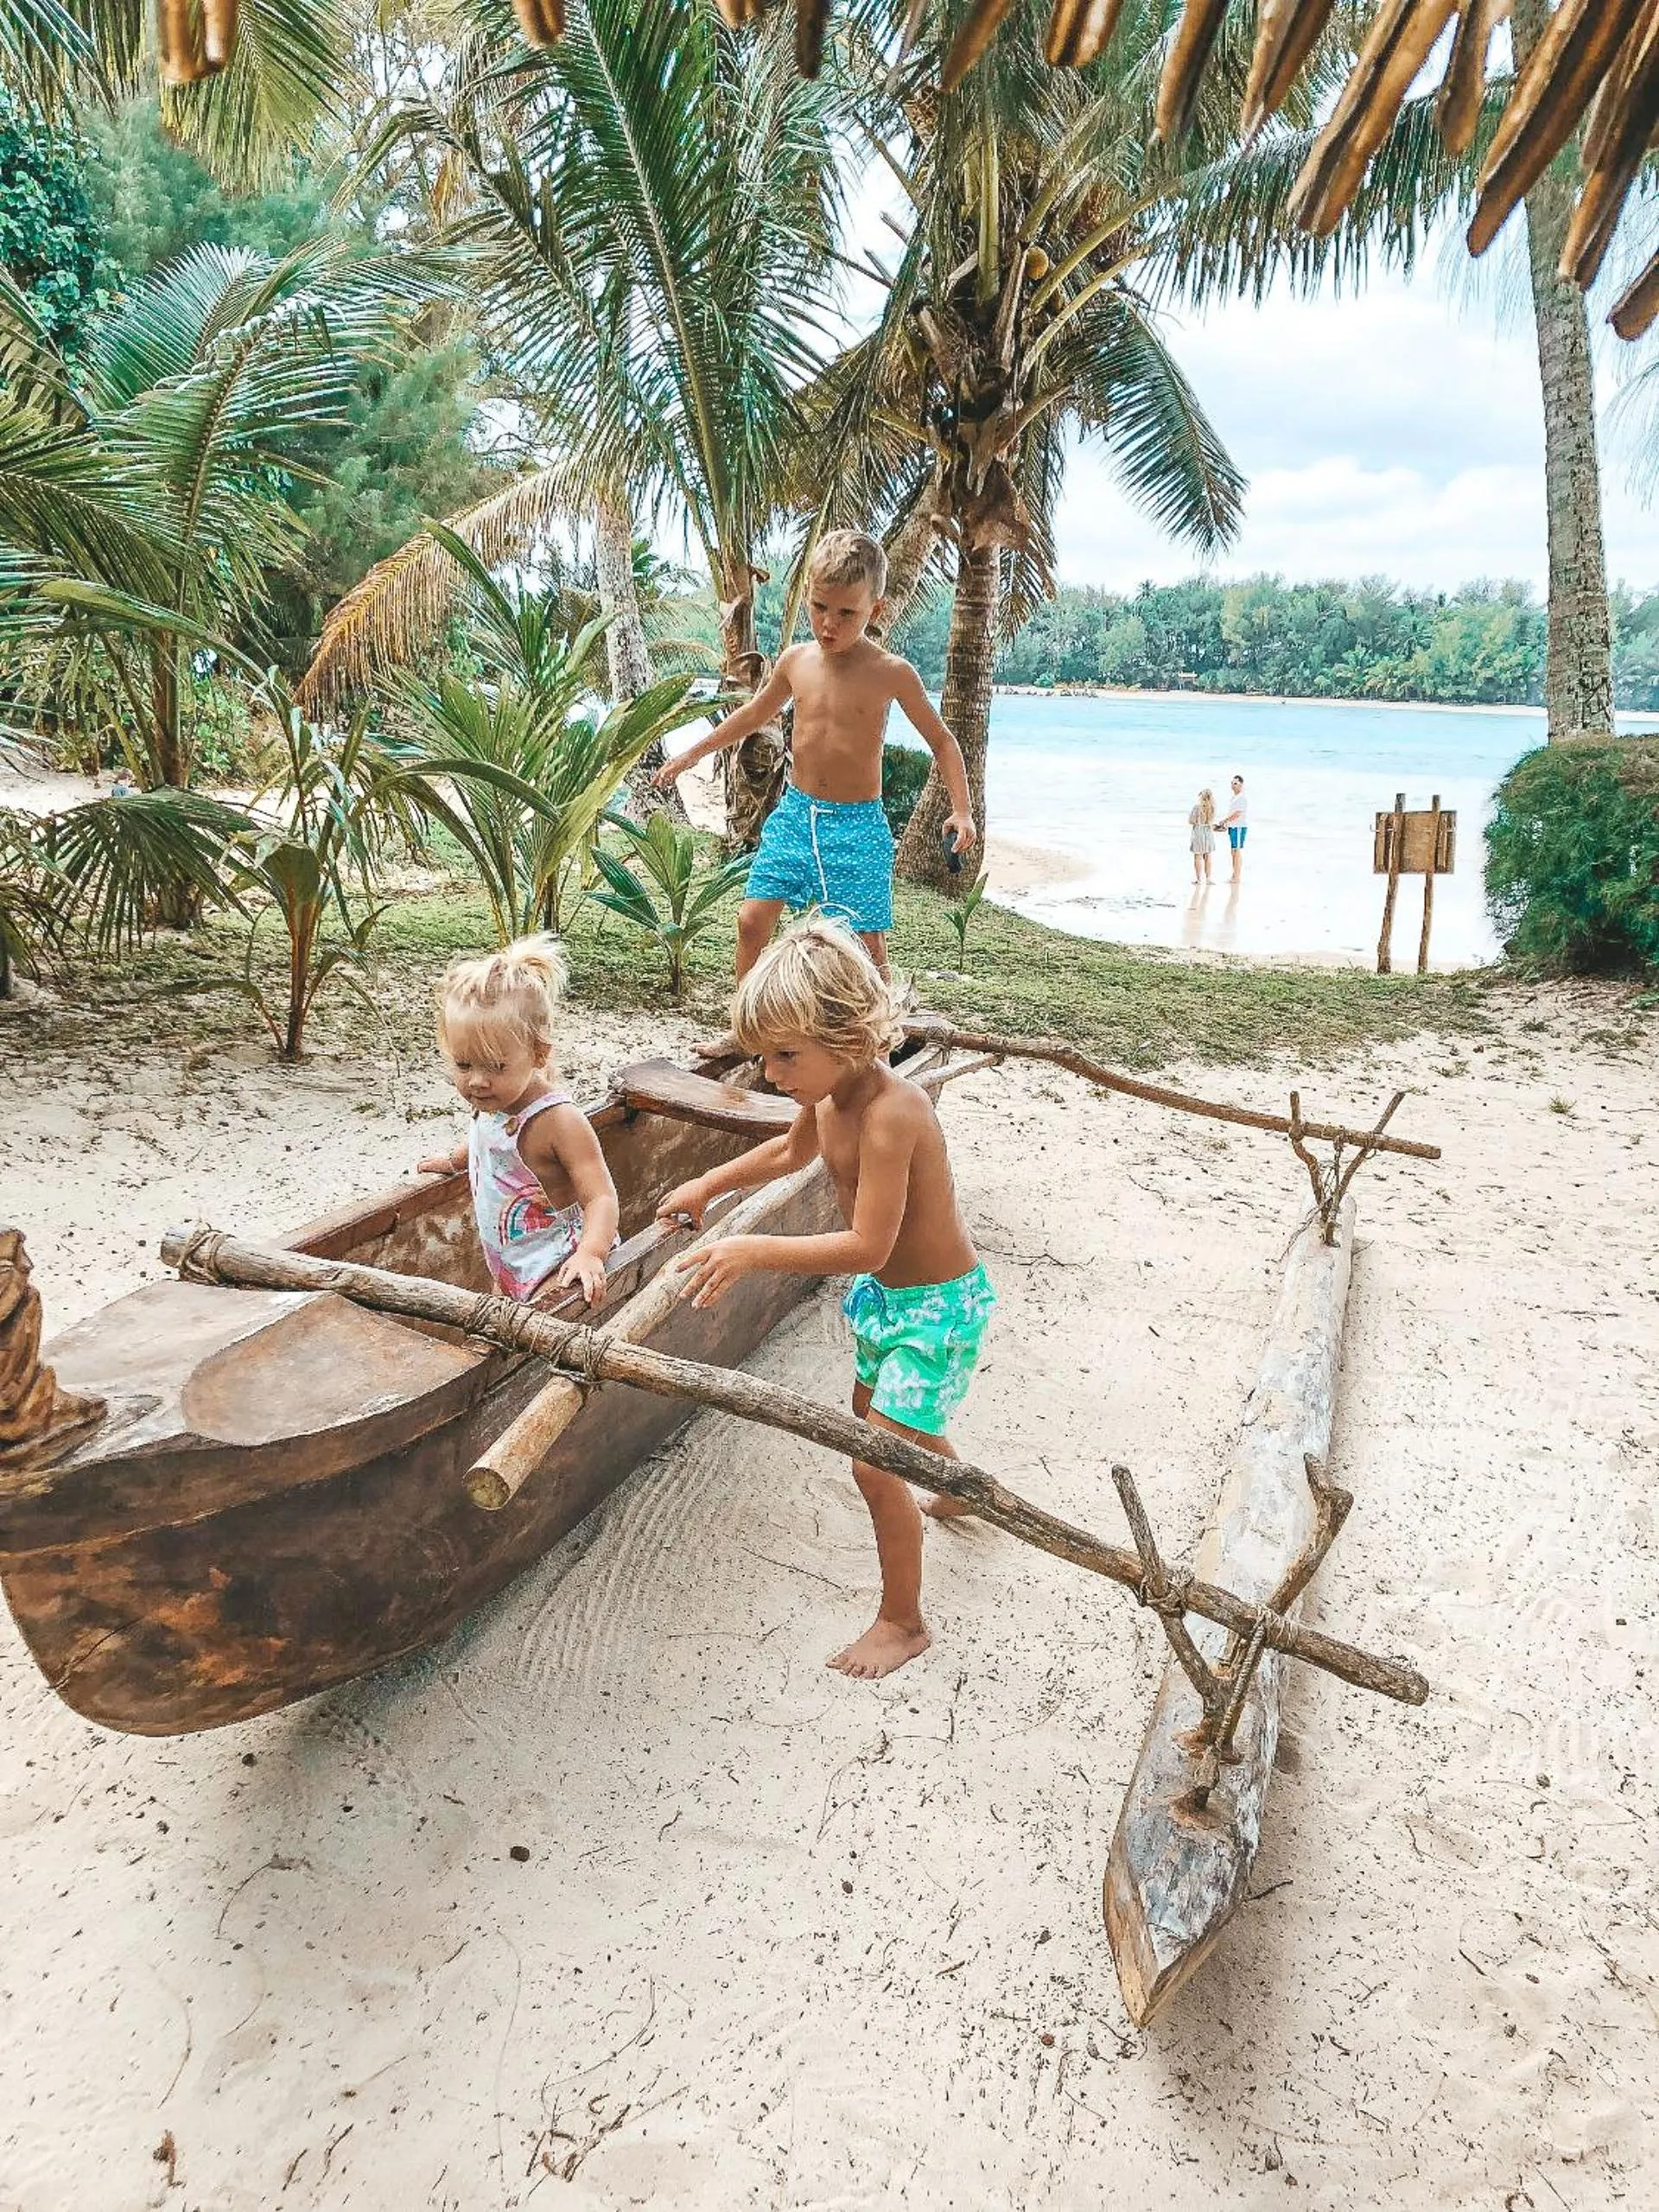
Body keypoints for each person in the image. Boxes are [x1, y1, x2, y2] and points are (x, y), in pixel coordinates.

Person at [654, 918, 995, 1681]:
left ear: (845, 1036)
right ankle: (957, 1485)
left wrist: (752, 1251)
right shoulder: (829, 1094)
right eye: (762, 1057)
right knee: (868, 1410)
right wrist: (709, 1184)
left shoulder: (892, 1112)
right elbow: (789, 1150)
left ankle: (903, 1621)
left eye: (784, 1056)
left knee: (874, 1464)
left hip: (938, 1307)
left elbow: (868, 1245)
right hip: (890, 1300)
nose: (771, 1075)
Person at [652, 531, 977, 981]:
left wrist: (962, 811)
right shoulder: (795, 661)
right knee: (750, 922)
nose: (829, 624)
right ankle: (747, 1029)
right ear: (807, 595)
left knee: (865, 948)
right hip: (796, 813)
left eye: (847, 613)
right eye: (820, 607)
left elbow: (942, 741)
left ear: (875, 610)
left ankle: (880, 1037)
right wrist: (689, 755)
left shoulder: (891, 673)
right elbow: (751, 715)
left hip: (858, 825)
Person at [416, 936, 619, 1306]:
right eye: (463, 1065)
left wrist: (591, 1253)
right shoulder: (495, 1098)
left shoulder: (559, 1121)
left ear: (539, 1054)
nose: (477, 1080)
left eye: (495, 1066)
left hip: (559, 1263)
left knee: (544, 1331)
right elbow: (486, 1139)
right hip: (509, 1264)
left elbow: (601, 1196)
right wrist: (455, 1161)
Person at [1217, 773, 1248, 881]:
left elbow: (1237, 814)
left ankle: (1237, 876)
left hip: (1239, 827)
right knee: (1233, 851)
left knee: (1237, 851)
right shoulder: (1234, 798)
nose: (1233, 786)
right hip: (1233, 827)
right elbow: (1233, 813)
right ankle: (1234, 875)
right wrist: (1226, 823)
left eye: (1236, 783)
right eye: (1232, 783)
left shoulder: (1242, 798)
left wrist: (1225, 820)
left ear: (1241, 785)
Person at [1189, 787, 1217, 884]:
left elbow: (1191, 821)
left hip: (1199, 832)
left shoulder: (1197, 807)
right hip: (1208, 832)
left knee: (1198, 856)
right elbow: (1211, 821)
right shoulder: (1213, 807)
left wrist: (1196, 821)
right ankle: (1208, 879)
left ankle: (1199, 879)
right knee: (1208, 855)